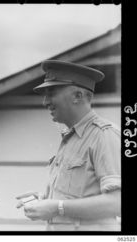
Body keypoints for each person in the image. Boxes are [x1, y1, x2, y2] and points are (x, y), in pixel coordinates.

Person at [16, 60, 121, 231]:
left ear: (77, 96)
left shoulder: (104, 135)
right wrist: (46, 200)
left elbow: (118, 202)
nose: (45, 102)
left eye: (51, 93)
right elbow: (79, 194)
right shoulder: (71, 139)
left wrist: (57, 207)